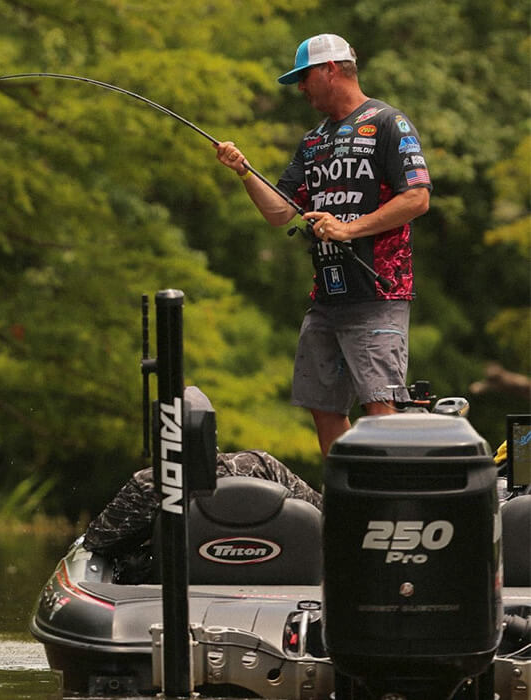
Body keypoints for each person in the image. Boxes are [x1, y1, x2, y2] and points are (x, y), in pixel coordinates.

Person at [214, 34, 432, 456]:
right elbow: (280, 212)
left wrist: (349, 229)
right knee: (322, 406)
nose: (300, 87)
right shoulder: (313, 141)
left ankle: (386, 507)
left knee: (381, 407)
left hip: (378, 294)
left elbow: (418, 198)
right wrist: (243, 171)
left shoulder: (389, 123)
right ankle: (344, 506)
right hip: (327, 296)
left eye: (304, 76)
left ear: (330, 69)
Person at [82, 450, 320, 582]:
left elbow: (98, 541)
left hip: (179, 605)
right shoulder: (263, 466)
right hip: (281, 597)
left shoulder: (151, 483)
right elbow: (323, 515)